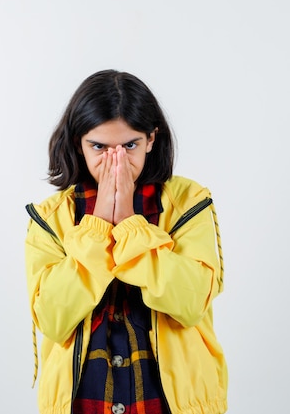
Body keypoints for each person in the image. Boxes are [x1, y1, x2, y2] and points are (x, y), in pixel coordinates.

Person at [24, 69, 227, 414]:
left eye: (129, 145)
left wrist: (132, 228)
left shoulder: (189, 203)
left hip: (168, 402)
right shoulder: (51, 217)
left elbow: (191, 303)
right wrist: (99, 226)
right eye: (99, 147)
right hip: (84, 399)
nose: (115, 161)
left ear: (151, 139)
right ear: (78, 143)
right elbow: (54, 320)